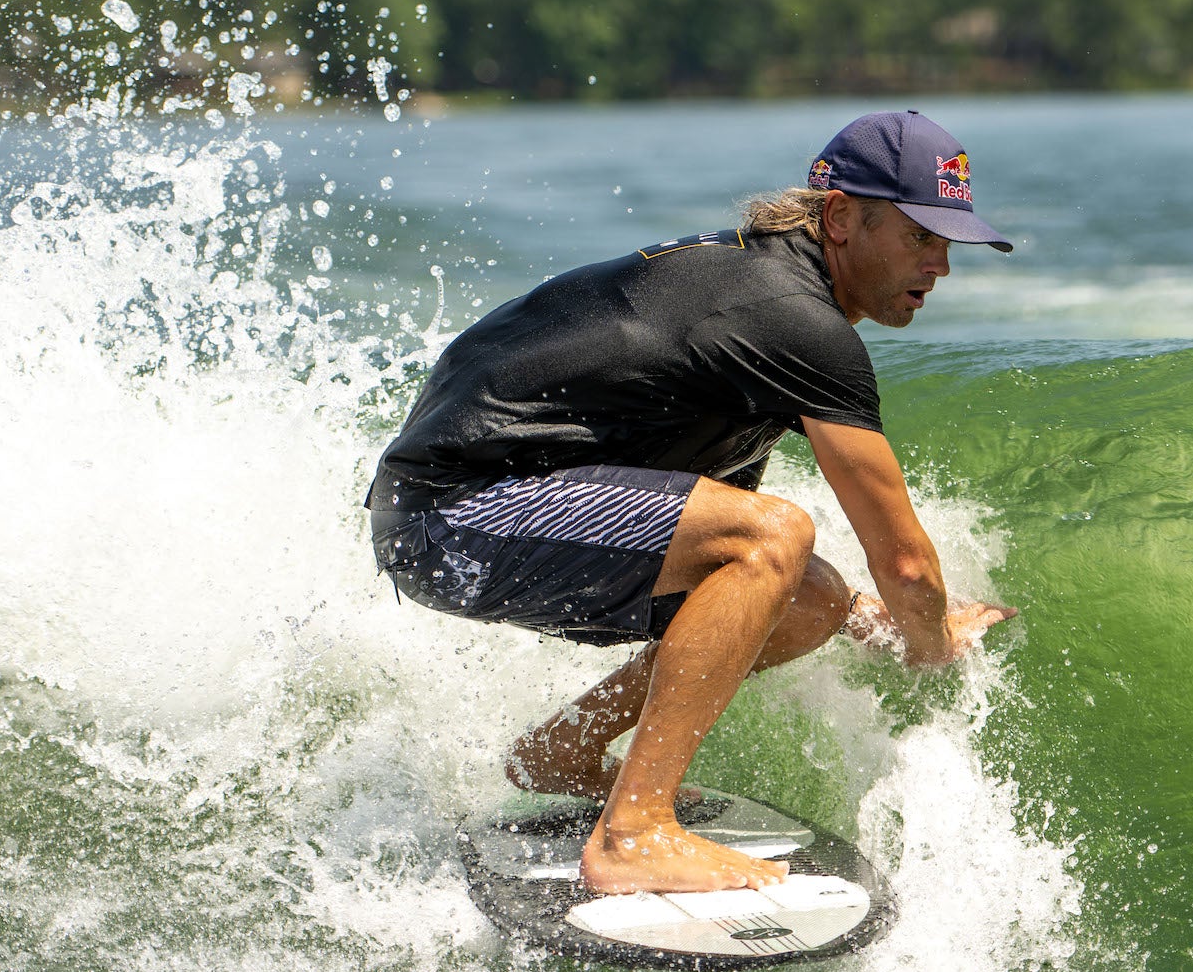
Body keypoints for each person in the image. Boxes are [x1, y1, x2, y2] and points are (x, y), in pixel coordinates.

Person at [366, 110, 1016, 895]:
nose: (941, 264)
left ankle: (562, 749)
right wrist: (930, 640)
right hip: (453, 516)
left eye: (949, 244)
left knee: (810, 596)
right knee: (771, 539)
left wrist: (864, 619)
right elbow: (908, 563)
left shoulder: (762, 292)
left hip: (468, 506)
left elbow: (703, 512)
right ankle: (633, 831)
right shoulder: (792, 317)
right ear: (842, 217)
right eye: (921, 237)